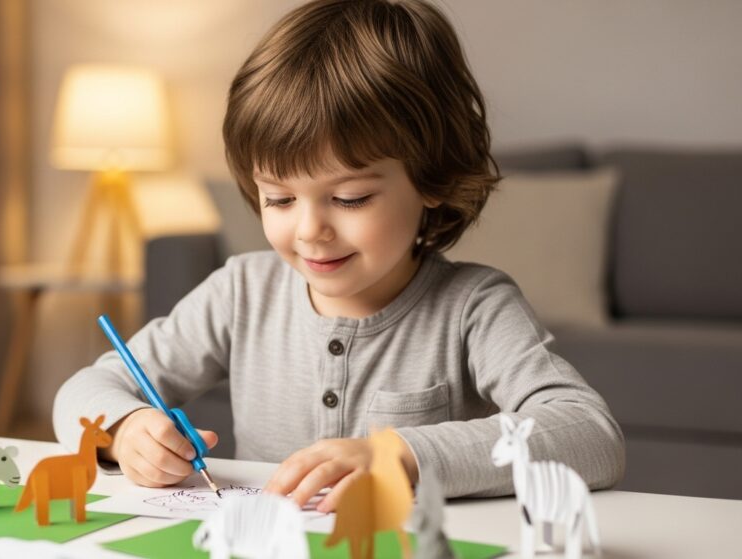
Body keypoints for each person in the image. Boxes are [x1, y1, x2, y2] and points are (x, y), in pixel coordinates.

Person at [53, 0, 624, 510]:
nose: (310, 231)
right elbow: (82, 392)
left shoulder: (474, 306)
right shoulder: (240, 293)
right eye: (279, 199)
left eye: (349, 198)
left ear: (432, 178)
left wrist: (402, 455)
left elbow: (590, 434)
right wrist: (126, 429)